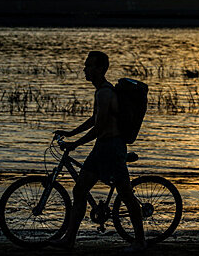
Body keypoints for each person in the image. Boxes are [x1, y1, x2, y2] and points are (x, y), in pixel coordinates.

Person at [51, 51, 147, 252]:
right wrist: (70, 133)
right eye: (86, 65)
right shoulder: (101, 91)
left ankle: (140, 242)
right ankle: (69, 239)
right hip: (101, 148)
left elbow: (100, 127)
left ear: (101, 69)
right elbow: (94, 119)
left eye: (90, 66)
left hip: (112, 149)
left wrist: (75, 144)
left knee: (127, 195)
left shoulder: (105, 92)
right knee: (79, 190)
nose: (85, 69)